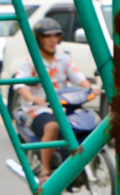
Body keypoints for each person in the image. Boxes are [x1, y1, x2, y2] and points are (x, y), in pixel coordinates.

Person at [13, 17, 97, 181]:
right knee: (52, 126)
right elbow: (20, 84)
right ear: (39, 39)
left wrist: (90, 88)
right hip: (37, 109)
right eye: (47, 36)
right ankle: (45, 170)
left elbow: (78, 78)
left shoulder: (63, 59)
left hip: (63, 105)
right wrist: (32, 98)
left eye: (55, 36)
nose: (52, 40)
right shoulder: (31, 61)